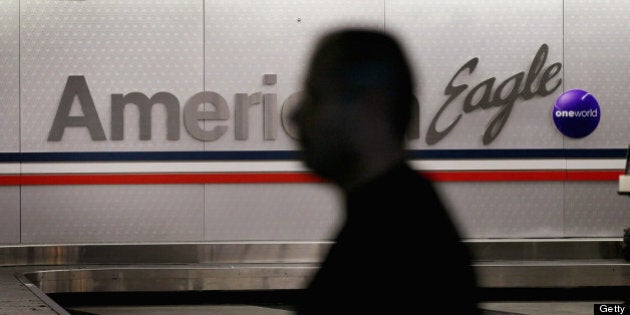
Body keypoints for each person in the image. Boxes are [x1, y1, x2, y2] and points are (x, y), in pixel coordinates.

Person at [290, 28, 480, 314]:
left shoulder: (397, 248)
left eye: (316, 96)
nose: (295, 115)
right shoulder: (401, 216)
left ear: (371, 105)